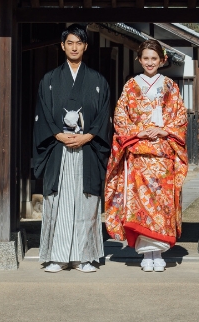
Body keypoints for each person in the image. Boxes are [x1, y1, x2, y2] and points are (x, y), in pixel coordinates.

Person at [32, 24, 111, 273]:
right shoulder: (50, 80)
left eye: (79, 43)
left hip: (88, 149)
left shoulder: (98, 80)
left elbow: (104, 115)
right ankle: (57, 256)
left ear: (85, 46)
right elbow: (42, 113)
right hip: (59, 149)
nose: (74, 47)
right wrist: (57, 134)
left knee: (86, 202)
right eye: (70, 43)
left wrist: (88, 136)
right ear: (63, 46)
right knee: (58, 202)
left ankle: (85, 257)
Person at [104, 39, 188, 273]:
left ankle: (158, 252)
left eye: (154, 58)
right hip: (139, 153)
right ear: (139, 60)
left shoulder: (171, 86)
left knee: (161, 205)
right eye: (146, 58)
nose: (150, 63)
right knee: (140, 204)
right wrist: (139, 131)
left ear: (162, 60)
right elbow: (121, 117)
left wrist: (163, 130)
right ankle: (145, 253)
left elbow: (180, 118)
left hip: (162, 154)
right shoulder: (131, 85)